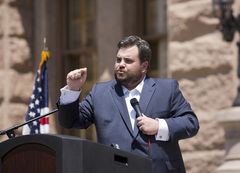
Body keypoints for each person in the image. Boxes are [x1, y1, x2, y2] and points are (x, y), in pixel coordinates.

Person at [57, 35, 199, 173]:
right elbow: (70, 121)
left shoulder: (167, 89)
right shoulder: (99, 93)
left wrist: (159, 126)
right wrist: (72, 90)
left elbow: (191, 123)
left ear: (144, 66)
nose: (121, 65)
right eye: (118, 60)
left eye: (128, 61)